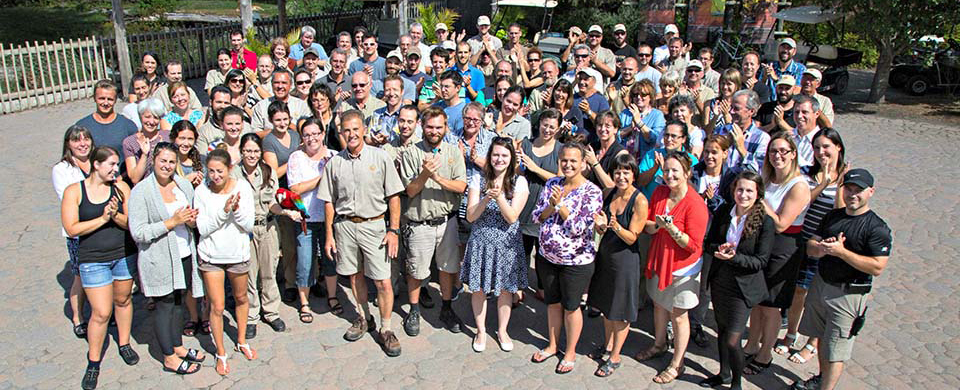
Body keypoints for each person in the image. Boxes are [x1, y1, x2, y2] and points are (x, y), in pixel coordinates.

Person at [793, 168, 891, 390]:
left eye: (859, 190)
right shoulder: (833, 216)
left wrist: (841, 252)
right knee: (820, 338)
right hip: (821, 285)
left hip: (848, 295)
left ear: (871, 192)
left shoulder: (876, 227)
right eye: (848, 189)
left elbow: (877, 266)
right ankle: (821, 378)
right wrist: (821, 249)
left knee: (836, 349)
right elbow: (810, 246)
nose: (852, 194)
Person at [319, 110, 404, 352]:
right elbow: (328, 201)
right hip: (345, 227)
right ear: (342, 133)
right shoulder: (335, 163)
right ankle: (364, 317)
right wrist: (329, 235)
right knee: (354, 276)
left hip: (374, 226)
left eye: (356, 129)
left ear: (364, 129)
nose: (352, 134)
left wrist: (393, 230)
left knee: (383, 282)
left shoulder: (380, 158)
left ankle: (386, 328)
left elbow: (394, 196)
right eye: (347, 130)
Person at [62, 146, 139, 389]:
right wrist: (102, 219)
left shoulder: (121, 188)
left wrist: (115, 216)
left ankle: (124, 343)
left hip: (123, 254)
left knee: (124, 301)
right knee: (102, 312)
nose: (116, 169)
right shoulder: (75, 191)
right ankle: (93, 361)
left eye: (117, 164)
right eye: (112, 164)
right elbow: (72, 228)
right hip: (93, 259)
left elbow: (132, 224)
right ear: (96, 164)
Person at [128, 142, 205, 379]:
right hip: (158, 257)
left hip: (183, 252)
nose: (167, 166)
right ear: (153, 161)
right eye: (163, 161)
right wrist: (172, 222)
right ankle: (168, 356)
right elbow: (138, 232)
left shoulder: (182, 184)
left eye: (172, 162)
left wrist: (191, 221)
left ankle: (177, 345)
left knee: (179, 300)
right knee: (164, 305)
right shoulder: (142, 191)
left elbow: (192, 219)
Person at [529, 143, 603, 374]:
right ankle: (552, 345)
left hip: (576, 262)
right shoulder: (552, 184)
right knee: (553, 303)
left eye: (574, 161)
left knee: (571, 307)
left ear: (583, 163)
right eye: (564, 160)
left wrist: (559, 205)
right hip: (547, 256)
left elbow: (580, 227)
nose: (568, 165)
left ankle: (570, 352)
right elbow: (536, 216)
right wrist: (550, 206)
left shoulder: (592, 192)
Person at [636, 151, 708, 384]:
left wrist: (674, 231)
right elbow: (646, 224)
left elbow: (694, 245)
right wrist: (656, 227)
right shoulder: (659, 192)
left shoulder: (695, 204)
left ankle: (678, 363)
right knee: (659, 304)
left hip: (682, 268)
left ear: (687, 173)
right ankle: (659, 344)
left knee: (678, 315)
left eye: (675, 170)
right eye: (666, 170)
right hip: (660, 260)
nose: (669, 175)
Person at [699, 170, 775, 390]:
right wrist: (719, 249)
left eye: (749, 190)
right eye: (740, 189)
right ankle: (723, 373)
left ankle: (737, 382)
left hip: (743, 288)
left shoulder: (764, 222)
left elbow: (760, 261)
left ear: (758, 193)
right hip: (721, 281)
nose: (743, 194)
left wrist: (734, 257)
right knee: (722, 331)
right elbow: (709, 243)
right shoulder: (724, 211)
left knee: (733, 339)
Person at [742, 132, 811, 376]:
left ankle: (765, 353)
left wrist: (758, 200)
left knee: (771, 305)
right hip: (762, 242)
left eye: (783, 151)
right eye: (773, 151)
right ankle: (751, 344)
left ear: (794, 154)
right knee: (757, 300)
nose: (778, 155)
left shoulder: (799, 185)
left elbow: (782, 223)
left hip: (784, 246)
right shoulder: (768, 178)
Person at [778, 128, 847, 367]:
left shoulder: (847, 178)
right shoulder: (807, 172)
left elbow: (842, 213)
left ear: (838, 147)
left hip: (827, 247)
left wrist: (837, 183)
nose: (820, 152)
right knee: (799, 291)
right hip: (803, 241)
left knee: (818, 298)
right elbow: (803, 199)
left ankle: (812, 343)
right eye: (817, 147)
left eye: (826, 147)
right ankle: (790, 333)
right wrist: (823, 182)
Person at [398, 107, 468, 340]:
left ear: (446, 127)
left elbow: (461, 186)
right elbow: (409, 190)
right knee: (416, 270)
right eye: (430, 126)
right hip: (420, 223)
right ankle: (414, 310)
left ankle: (447, 309)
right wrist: (425, 174)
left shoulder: (453, 152)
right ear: (422, 127)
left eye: (439, 127)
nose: (434, 131)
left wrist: (437, 177)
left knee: (448, 269)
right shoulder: (411, 153)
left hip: (447, 222)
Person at [461, 136, 529, 352]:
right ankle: (480, 330)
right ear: (489, 157)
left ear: (511, 159)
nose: (499, 159)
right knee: (479, 288)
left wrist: (499, 197)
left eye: (504, 155)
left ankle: (502, 330)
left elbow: (512, 217)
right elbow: (471, 216)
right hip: (481, 241)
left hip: (507, 244)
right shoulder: (477, 179)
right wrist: (485, 199)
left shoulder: (520, 182)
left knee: (505, 290)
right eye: (496, 154)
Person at [194, 149, 257, 375]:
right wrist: (224, 211)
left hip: (237, 254)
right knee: (217, 305)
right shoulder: (201, 191)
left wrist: (236, 210)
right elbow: (202, 227)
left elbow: (248, 225)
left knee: (241, 297)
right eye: (210, 171)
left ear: (230, 169)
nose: (215, 176)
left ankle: (241, 340)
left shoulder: (243, 187)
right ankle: (220, 351)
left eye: (219, 171)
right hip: (211, 256)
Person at [587, 153, 649, 377]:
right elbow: (602, 228)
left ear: (634, 174)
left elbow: (633, 237)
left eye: (626, 172)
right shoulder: (609, 192)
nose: (621, 176)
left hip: (625, 260)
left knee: (621, 311)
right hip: (606, 255)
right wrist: (600, 226)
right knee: (606, 304)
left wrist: (613, 226)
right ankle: (607, 345)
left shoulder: (640, 200)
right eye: (618, 172)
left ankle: (615, 357)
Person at [233, 133, 290, 339]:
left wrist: (284, 211)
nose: (251, 155)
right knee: (249, 275)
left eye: (256, 151)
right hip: (244, 231)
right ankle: (251, 316)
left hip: (267, 227)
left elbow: (272, 203)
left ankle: (271, 312)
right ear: (241, 151)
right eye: (248, 150)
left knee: (269, 272)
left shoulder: (268, 172)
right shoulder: (233, 174)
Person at [286, 118, 338, 325]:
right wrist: (322, 176)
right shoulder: (296, 158)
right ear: (302, 138)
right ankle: (305, 302)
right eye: (307, 135)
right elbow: (295, 189)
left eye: (315, 133)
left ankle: (333, 296)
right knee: (305, 261)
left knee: (330, 259)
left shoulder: (334, 156)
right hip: (305, 219)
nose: (312, 138)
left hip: (329, 219)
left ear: (322, 133)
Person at [53, 126, 94, 340]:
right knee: (80, 276)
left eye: (86, 139)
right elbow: (69, 201)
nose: (82, 144)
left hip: (103, 229)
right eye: (76, 140)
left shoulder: (97, 160)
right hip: (79, 231)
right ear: (68, 144)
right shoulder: (62, 169)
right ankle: (78, 317)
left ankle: (102, 313)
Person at [517, 109, 561, 301]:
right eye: (545, 125)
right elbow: (518, 172)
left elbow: (560, 178)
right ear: (539, 123)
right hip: (525, 202)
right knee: (521, 249)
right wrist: (518, 164)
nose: (547, 129)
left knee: (543, 251)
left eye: (552, 127)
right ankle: (518, 286)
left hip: (547, 207)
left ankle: (543, 286)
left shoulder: (560, 149)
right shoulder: (526, 144)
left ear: (558, 129)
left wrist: (535, 168)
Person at [76, 80, 139, 175]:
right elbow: (76, 157)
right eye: (101, 98)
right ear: (94, 98)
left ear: (116, 100)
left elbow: (137, 159)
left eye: (110, 99)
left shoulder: (128, 126)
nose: (105, 103)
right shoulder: (82, 126)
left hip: (121, 179)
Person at [637, 120, 700, 199]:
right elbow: (639, 182)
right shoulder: (652, 155)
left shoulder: (692, 160)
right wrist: (654, 168)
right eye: (666, 135)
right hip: (651, 205)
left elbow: (694, 190)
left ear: (683, 139)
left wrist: (666, 170)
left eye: (673, 136)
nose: (669, 139)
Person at [714, 89, 771, 173]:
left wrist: (741, 148)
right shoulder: (721, 131)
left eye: (736, 108)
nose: (731, 112)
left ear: (751, 111)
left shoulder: (761, 138)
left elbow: (759, 172)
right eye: (731, 107)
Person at [124, 98, 170, 184]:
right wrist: (144, 154)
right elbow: (134, 178)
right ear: (140, 117)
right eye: (147, 117)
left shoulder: (168, 136)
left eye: (156, 117)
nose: (151, 122)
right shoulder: (129, 142)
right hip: (143, 189)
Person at [619, 79, 666, 161]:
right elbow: (615, 136)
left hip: (646, 159)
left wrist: (639, 123)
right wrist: (630, 128)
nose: (638, 97)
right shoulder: (625, 114)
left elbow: (655, 139)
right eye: (635, 94)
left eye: (643, 95)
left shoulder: (657, 115)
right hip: (625, 159)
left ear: (650, 97)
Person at [197, 87, 253, 154]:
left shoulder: (245, 127)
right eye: (219, 102)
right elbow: (202, 159)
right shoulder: (204, 132)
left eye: (226, 103)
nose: (222, 106)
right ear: (211, 102)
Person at [584, 110, 628, 190]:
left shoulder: (621, 153)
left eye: (607, 126)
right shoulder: (592, 147)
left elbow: (611, 186)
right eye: (600, 125)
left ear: (615, 129)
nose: (603, 129)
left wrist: (594, 163)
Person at [574, 68, 610, 143]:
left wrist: (588, 112)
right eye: (580, 79)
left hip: (593, 144)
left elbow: (604, 123)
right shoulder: (572, 98)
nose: (581, 82)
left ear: (594, 82)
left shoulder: (601, 100)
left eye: (586, 79)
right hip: (574, 143)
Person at [703, 68, 742, 135]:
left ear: (737, 85)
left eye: (729, 84)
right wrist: (715, 117)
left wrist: (726, 114)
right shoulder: (709, 104)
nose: (725, 87)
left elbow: (737, 132)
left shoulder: (740, 106)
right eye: (723, 83)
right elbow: (706, 133)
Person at [302, 82, 340, 150]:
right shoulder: (308, 123)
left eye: (322, 99)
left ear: (329, 101)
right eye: (315, 100)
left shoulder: (338, 119)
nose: (319, 103)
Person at [169, 120, 204, 188]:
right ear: (173, 138)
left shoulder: (202, 162)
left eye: (190, 139)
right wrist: (185, 181)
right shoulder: (166, 162)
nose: (186, 143)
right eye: (182, 138)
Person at [791, 95, 822, 168]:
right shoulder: (786, 138)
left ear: (816, 114)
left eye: (804, 112)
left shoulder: (823, 140)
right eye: (796, 112)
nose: (799, 116)